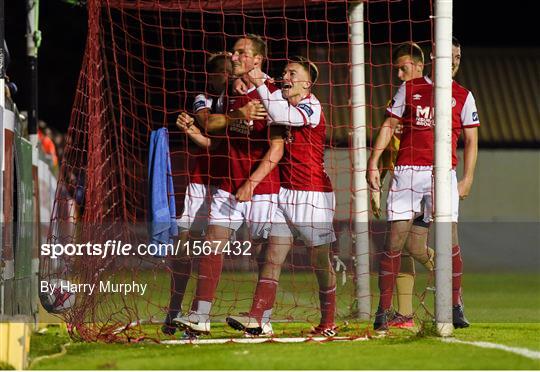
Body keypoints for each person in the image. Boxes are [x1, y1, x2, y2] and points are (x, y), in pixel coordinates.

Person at [173, 35, 285, 335]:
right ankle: (200, 316)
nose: (233, 58)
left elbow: (277, 148)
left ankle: (263, 317)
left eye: (240, 53)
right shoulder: (231, 95)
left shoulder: (273, 93)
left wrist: (252, 182)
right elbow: (211, 125)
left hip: (262, 188)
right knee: (211, 243)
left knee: (263, 254)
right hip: (227, 185)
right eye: (234, 53)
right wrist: (237, 113)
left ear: (257, 60)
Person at [367, 41, 479, 331]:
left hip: (443, 174)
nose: (454, 60)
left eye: (458, 55)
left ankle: (455, 305)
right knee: (395, 243)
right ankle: (383, 311)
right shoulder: (411, 88)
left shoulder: (463, 96)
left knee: (449, 241)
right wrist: (372, 164)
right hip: (407, 173)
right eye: (449, 55)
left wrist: (467, 178)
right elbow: (389, 125)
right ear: (433, 56)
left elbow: (471, 141)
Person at [226, 56, 338, 337]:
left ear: (307, 83)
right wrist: (254, 76)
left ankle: (329, 322)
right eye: (283, 72)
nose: (285, 76)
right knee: (272, 256)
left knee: (320, 263)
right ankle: (257, 318)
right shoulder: (281, 103)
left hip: (313, 196)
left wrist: (258, 78)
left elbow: (280, 116)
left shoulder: (312, 105)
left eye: (292, 73)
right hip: (284, 193)